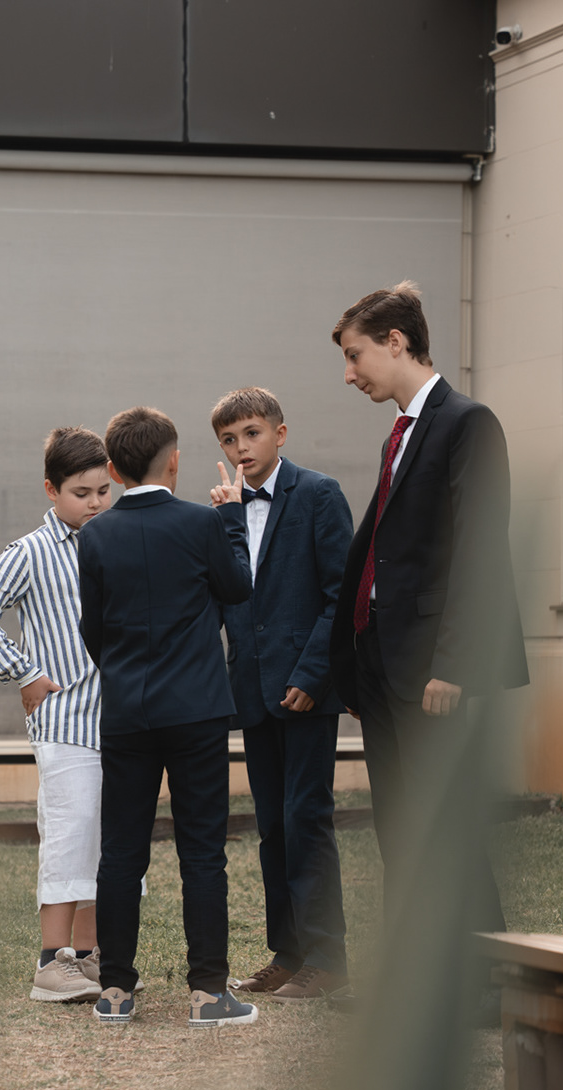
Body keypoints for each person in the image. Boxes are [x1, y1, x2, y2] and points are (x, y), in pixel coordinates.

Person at [326, 282, 528, 942]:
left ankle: (483, 971)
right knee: (399, 826)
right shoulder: (400, 434)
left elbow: (480, 548)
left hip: (430, 666)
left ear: (396, 342)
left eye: (354, 355)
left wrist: (454, 663)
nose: (349, 374)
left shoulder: (468, 423)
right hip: (381, 660)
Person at [77, 407, 258, 1028]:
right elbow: (238, 588)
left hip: (127, 711)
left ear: (112, 469)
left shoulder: (95, 535)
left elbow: (93, 630)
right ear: (174, 461)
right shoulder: (203, 522)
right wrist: (233, 519)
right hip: (198, 709)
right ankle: (208, 993)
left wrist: (125, 672)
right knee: (202, 851)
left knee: (121, 852)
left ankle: (115, 991)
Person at [205, 387, 354, 1003]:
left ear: (279, 433)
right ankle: (288, 955)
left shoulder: (319, 494)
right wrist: (225, 521)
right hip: (252, 688)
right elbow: (229, 593)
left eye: (252, 433)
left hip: (306, 689)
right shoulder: (224, 510)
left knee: (306, 819)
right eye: (228, 440)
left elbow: (342, 596)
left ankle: (327, 959)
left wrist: (313, 676)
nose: (241, 448)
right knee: (272, 826)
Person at [0, 427, 113, 1002]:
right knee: (69, 835)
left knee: (103, 840)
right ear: (51, 489)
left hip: (117, 721)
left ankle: (90, 958)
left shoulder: (114, 540)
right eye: (80, 493)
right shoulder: (30, 552)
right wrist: (24, 673)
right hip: (65, 722)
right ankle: (51, 964)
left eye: (103, 491)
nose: (94, 503)